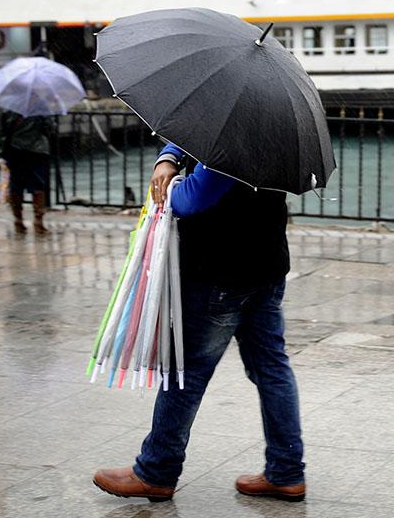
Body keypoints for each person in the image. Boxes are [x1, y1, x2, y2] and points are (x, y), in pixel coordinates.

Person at [93, 144, 305, 503]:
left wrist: (169, 184)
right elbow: (191, 142)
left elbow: (192, 199)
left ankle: (156, 471)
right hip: (266, 265)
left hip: (220, 273)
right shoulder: (274, 130)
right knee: (272, 369)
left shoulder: (231, 137)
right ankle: (286, 472)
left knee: (186, 374)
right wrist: (169, 156)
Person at [0, 109, 55, 235]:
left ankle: (18, 221)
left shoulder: (7, 108)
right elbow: (50, 128)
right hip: (37, 151)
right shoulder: (40, 107)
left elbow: (2, 131)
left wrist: (2, 151)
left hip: (15, 150)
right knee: (38, 185)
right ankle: (38, 221)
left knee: (16, 185)